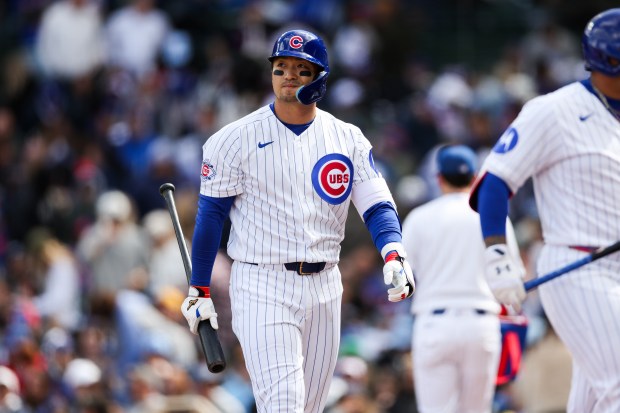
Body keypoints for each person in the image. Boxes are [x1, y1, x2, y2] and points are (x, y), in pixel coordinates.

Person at [179, 29, 415, 413]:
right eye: (281, 67)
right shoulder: (233, 138)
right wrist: (199, 288)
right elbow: (210, 217)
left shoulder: (346, 137)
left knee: (309, 407)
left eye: (300, 69)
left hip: (326, 283)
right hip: (262, 281)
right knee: (285, 404)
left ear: (320, 78)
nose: (288, 75)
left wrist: (394, 253)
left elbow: (377, 205)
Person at [469, 8, 620, 412]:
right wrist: (499, 254)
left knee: (593, 397)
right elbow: (495, 182)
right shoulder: (553, 110)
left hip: (614, 269)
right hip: (580, 266)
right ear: (611, 60)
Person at [402, 145, 523, 413]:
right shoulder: (493, 218)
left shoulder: (419, 217)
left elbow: (402, 277)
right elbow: (512, 273)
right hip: (481, 324)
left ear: (439, 177)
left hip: (434, 322)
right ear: (475, 176)